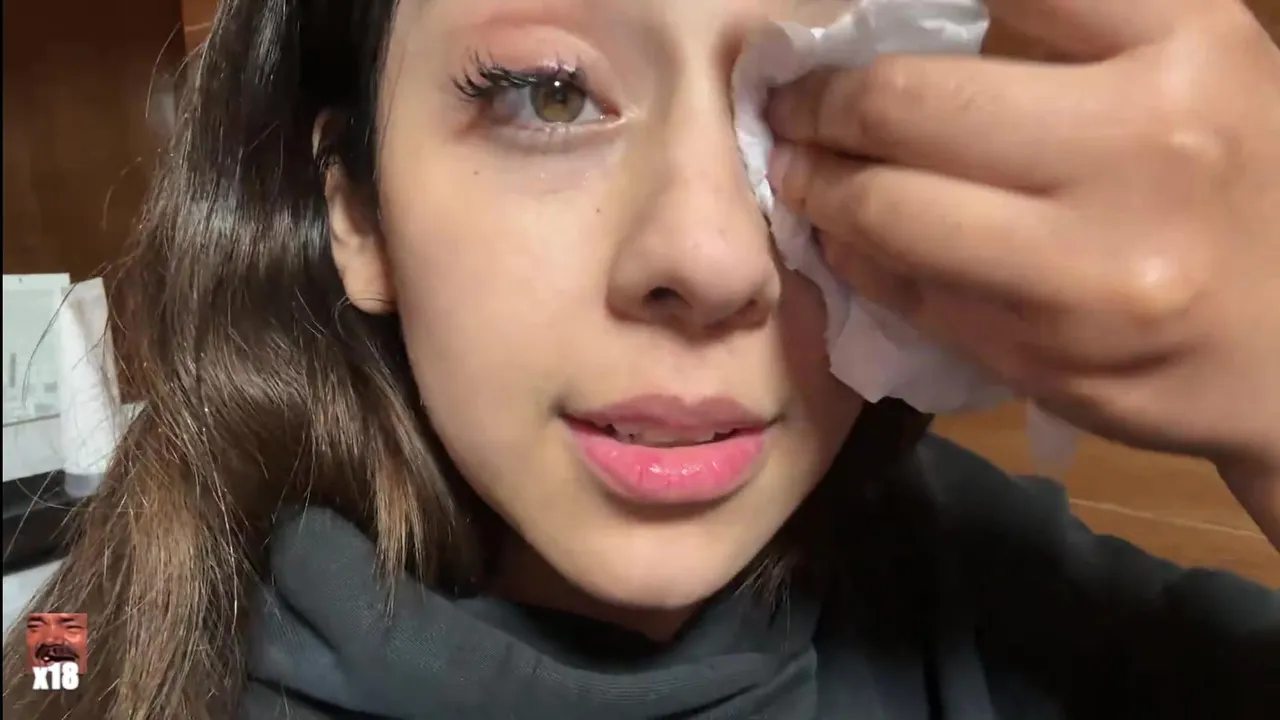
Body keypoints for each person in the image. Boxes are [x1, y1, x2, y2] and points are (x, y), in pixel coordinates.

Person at [3, 0, 1277, 717]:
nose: (710, 258)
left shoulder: (973, 578)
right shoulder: (111, 602)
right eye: (548, 92)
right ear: (357, 213)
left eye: (806, 107)